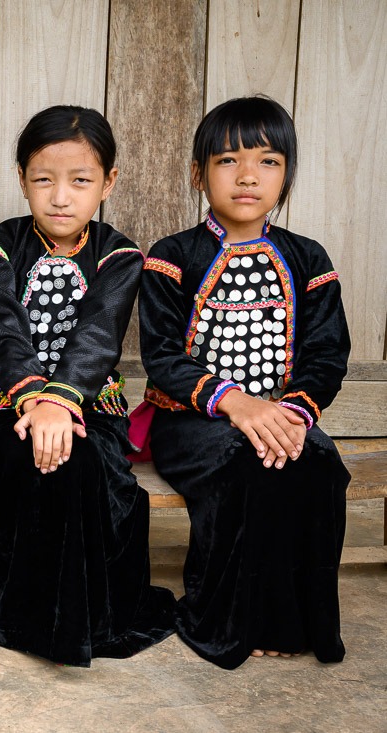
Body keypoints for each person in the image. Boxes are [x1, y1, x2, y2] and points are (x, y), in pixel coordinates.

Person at [137, 96, 350, 669]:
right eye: (228, 160)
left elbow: (327, 354)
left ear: (287, 174)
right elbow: (161, 357)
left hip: (284, 415)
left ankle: (294, 620)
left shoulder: (308, 258)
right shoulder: (172, 256)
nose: (248, 176)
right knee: (247, 466)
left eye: (269, 161)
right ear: (198, 173)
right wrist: (235, 404)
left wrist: (293, 414)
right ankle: (230, 618)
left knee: (318, 466)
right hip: (191, 422)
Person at [0, 105, 175, 667]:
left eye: (80, 181)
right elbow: (2, 333)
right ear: (21, 179)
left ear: (108, 182)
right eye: (44, 180)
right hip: (6, 407)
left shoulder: (121, 254)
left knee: (77, 461)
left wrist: (61, 402)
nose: (61, 197)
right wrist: (35, 399)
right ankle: (27, 616)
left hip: (91, 409)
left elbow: (98, 335)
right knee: (33, 456)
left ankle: (79, 622)